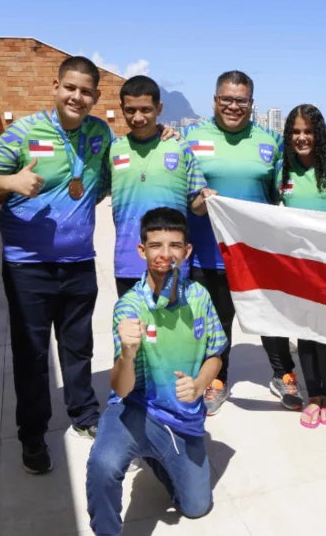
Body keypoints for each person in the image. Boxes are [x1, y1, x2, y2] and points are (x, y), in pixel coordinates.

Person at [0, 56, 113, 474]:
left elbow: (110, 174)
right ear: (55, 86)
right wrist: (10, 182)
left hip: (79, 261)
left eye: (86, 91)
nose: (77, 97)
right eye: (70, 88)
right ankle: (32, 434)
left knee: (78, 346)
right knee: (32, 354)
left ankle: (84, 414)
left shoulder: (99, 133)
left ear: (95, 96)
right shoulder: (25, 131)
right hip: (27, 266)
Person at [87, 207, 227, 535]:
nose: (165, 254)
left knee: (196, 507)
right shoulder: (129, 307)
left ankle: (157, 457)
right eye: (155, 246)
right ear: (142, 251)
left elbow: (215, 355)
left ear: (187, 251)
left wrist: (199, 385)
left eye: (175, 245)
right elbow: (121, 388)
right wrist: (127, 354)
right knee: (102, 464)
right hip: (138, 409)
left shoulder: (199, 296)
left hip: (183, 418)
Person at [181, 70, 300, 415]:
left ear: (251, 103)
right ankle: (217, 379)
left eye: (241, 100)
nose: (233, 106)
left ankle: (283, 374)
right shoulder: (188, 136)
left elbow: (287, 189)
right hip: (208, 253)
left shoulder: (272, 141)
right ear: (215, 100)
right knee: (217, 322)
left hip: (256, 254)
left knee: (270, 318)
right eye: (226, 99)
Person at [274, 104, 326, 428]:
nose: (302, 137)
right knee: (304, 333)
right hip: (298, 267)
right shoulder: (282, 169)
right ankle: (314, 395)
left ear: (319, 134)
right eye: (295, 132)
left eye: (308, 131)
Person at [109, 75, 215, 296]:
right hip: (127, 263)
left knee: (173, 320)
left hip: (173, 263)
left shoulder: (179, 147)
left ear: (159, 108)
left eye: (146, 110)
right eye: (130, 110)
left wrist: (206, 199)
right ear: (121, 108)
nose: (138, 117)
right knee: (131, 319)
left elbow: (196, 205)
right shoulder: (113, 149)